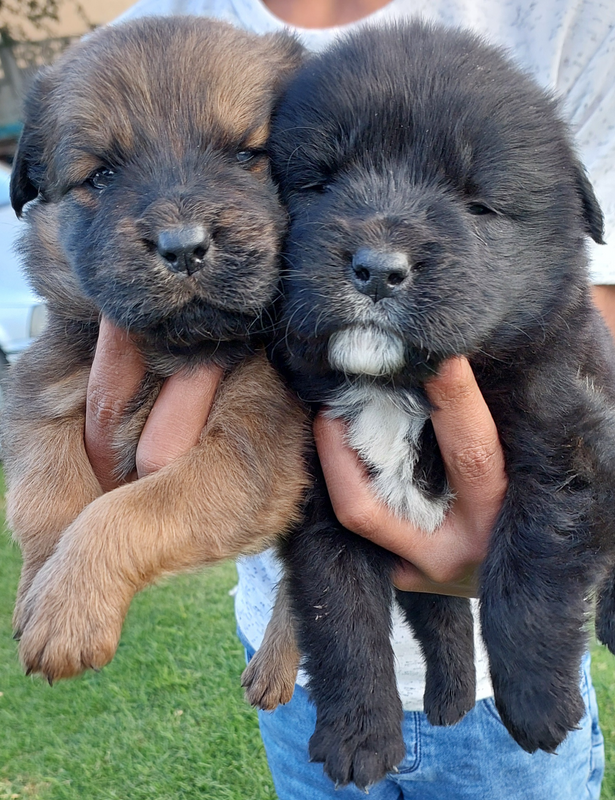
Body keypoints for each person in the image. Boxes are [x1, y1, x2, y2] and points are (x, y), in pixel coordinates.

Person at [84, 1, 615, 797]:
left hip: (505, 718)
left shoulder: (569, 20)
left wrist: (525, 608)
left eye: (471, 201)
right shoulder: (154, 42)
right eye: (321, 182)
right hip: (308, 681)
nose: (378, 248)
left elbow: (586, 428)